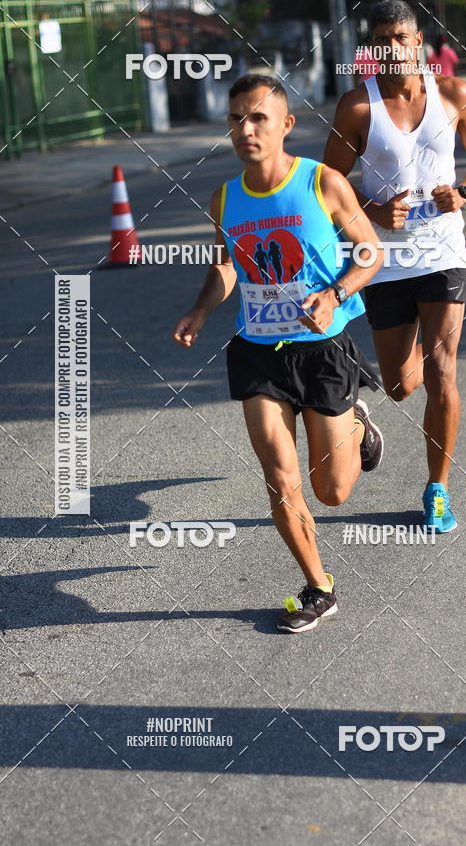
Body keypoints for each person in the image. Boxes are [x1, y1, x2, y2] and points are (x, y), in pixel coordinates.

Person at [173, 73, 385, 632]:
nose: (245, 129)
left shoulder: (323, 182)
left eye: (257, 117)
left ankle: (357, 426)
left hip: (323, 349)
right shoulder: (224, 196)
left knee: (332, 491)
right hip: (257, 352)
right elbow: (226, 265)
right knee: (279, 476)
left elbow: (371, 252)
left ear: (285, 124)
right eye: (236, 118)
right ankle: (318, 585)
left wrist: (336, 293)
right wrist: (200, 309)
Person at [323, 0, 466, 533]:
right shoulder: (357, 106)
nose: (392, 49)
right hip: (387, 260)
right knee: (400, 385)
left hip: (444, 253)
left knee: (444, 372)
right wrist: (373, 208)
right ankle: (362, 412)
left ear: (419, 40)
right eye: (382, 41)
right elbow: (327, 185)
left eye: (401, 37)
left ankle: (437, 488)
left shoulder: (454, 93)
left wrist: (464, 191)